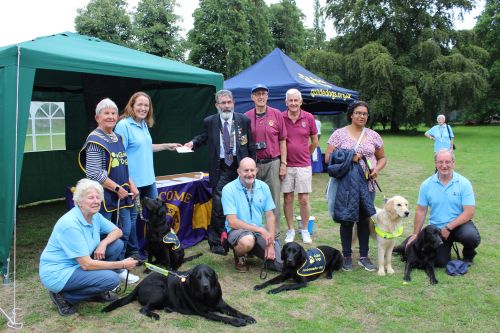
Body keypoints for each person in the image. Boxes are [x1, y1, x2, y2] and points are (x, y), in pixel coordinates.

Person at [39, 179, 139, 316]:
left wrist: (102, 244)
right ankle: (64, 297)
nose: (96, 201)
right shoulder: (70, 224)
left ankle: (95, 291)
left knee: (117, 244)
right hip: (58, 271)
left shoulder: (95, 216)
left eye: (98, 197)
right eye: (91, 197)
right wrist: (122, 263)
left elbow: (118, 231)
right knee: (112, 279)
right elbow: (86, 264)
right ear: (79, 201)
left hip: (77, 264)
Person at [184, 90, 255, 255]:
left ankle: (245, 237)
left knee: (243, 202)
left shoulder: (243, 120)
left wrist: (252, 166)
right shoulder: (210, 121)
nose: (226, 106)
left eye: (229, 102)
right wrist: (193, 143)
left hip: (240, 167)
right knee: (218, 205)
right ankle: (216, 242)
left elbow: (250, 144)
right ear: (217, 105)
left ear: (233, 103)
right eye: (223, 103)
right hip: (220, 168)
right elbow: (204, 137)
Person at [78, 98, 140, 283]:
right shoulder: (95, 140)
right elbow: (94, 172)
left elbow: (121, 166)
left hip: (123, 194)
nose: (111, 116)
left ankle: (119, 268)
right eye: (106, 113)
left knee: (125, 231)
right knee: (105, 236)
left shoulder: (117, 137)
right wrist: (117, 188)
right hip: (104, 198)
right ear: (97, 117)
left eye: (113, 113)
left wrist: (131, 184)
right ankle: (106, 272)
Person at [115, 92, 181, 259]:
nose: (143, 108)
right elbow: (119, 156)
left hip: (149, 180)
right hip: (132, 182)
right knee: (131, 220)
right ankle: (134, 253)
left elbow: (145, 147)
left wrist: (167, 146)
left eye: (146, 105)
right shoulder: (123, 125)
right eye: (140, 104)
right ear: (132, 105)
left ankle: (160, 248)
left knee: (158, 216)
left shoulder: (143, 124)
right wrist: (130, 183)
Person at [324, 101, 387, 272]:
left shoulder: (374, 135)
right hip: (346, 185)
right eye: (358, 113)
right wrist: (349, 156)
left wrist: (377, 169)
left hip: (367, 184)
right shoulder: (339, 134)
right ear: (351, 114)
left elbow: (382, 158)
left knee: (364, 219)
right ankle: (346, 256)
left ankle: (364, 257)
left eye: (365, 114)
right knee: (346, 219)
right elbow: (328, 158)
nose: (361, 116)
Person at [407, 149, 480, 267]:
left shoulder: (464, 183)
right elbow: (421, 210)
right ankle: (445, 249)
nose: (444, 165)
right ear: (435, 163)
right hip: (438, 229)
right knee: (440, 262)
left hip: (459, 225)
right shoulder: (426, 184)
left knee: (470, 236)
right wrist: (415, 234)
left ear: (453, 163)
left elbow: (469, 212)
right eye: (440, 162)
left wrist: (449, 227)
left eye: (448, 162)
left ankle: (468, 253)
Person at [221, 157, 282, 272]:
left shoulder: (263, 186)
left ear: (256, 171)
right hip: (237, 231)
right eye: (246, 171)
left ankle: (253, 250)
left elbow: (270, 216)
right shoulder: (228, 189)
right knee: (247, 240)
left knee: (279, 263)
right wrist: (261, 230)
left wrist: (271, 242)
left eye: (252, 170)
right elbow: (232, 222)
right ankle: (240, 255)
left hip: (258, 232)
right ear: (238, 172)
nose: (250, 174)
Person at [244, 84, 287, 235]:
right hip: (253, 164)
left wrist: (283, 163)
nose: (261, 96)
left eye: (263, 93)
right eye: (257, 94)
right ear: (252, 97)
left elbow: (282, 140)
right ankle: (252, 232)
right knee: (250, 198)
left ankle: (274, 234)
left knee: (273, 199)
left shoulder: (276, 114)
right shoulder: (247, 116)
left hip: (272, 163)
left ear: (267, 96)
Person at [281, 89, 318, 244]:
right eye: (291, 100)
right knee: (288, 198)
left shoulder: (308, 117)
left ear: (301, 102)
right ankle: (290, 230)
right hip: (286, 165)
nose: (294, 103)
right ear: (286, 102)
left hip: (303, 165)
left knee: (303, 199)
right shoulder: (280, 117)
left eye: (296, 100)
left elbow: (314, 141)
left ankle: (304, 230)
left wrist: (305, 154)